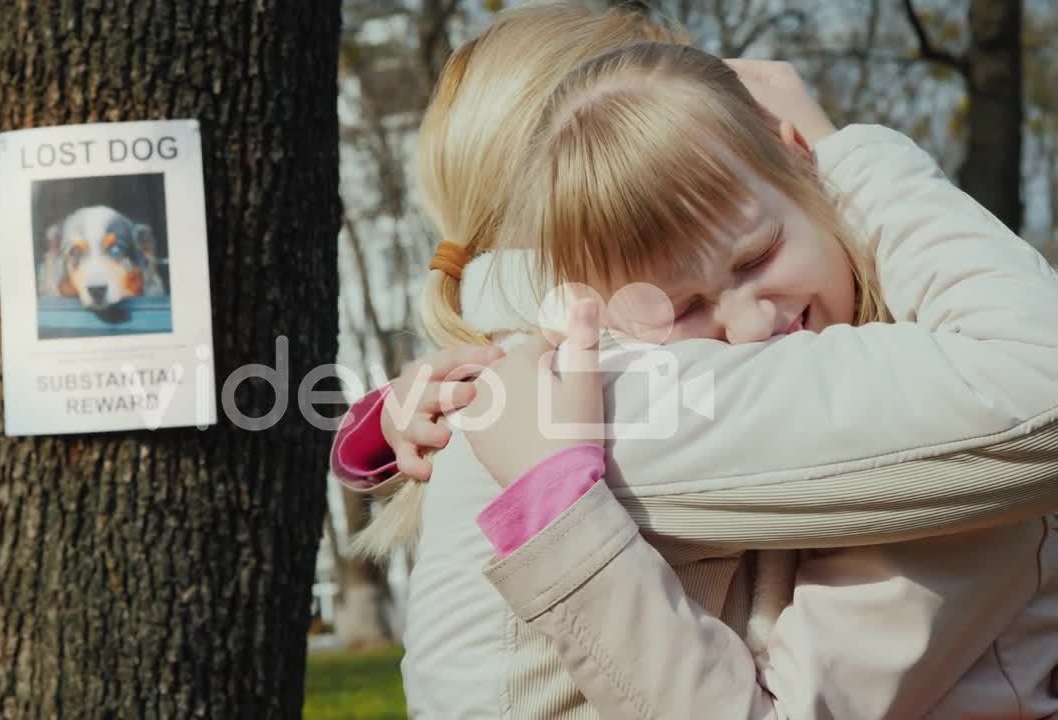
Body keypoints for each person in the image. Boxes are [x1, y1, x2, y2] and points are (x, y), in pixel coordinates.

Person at [331, 3, 1058, 717]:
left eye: (757, 254)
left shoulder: (548, 370)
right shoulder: (595, 379)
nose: (744, 328)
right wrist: (845, 153)